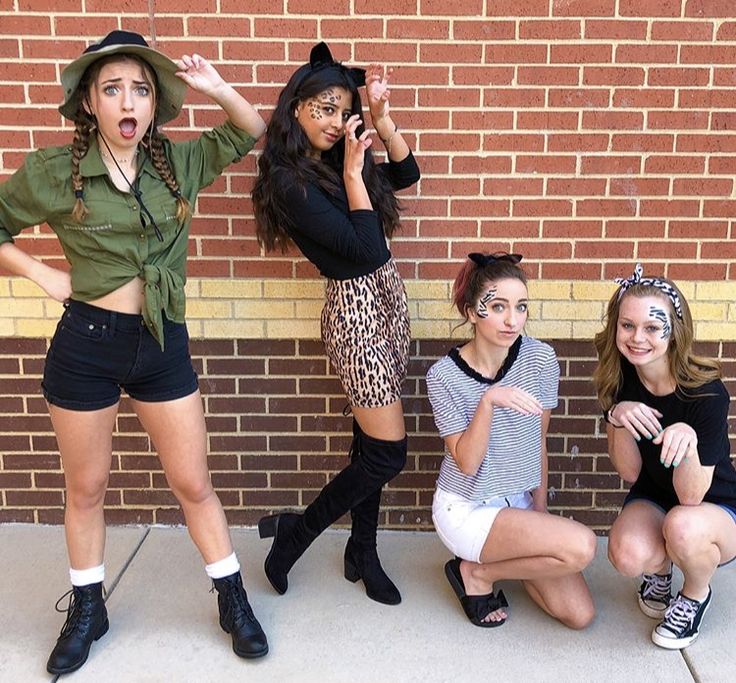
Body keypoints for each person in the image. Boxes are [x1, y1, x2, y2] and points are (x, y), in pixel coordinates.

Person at [0, 30, 269, 673]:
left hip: (160, 342)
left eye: (141, 89)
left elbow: (249, 129)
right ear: (89, 102)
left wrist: (215, 87)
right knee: (86, 487)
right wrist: (41, 274)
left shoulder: (177, 165)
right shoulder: (52, 170)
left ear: (154, 104)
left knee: (192, 481)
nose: (128, 100)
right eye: (112, 87)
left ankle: (231, 597)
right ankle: (89, 608)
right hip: (85, 345)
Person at [251, 42, 420, 605]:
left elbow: (407, 173)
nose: (332, 120)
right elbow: (364, 247)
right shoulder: (286, 177)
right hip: (356, 313)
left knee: (366, 443)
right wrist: (352, 170)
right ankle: (293, 537)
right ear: (295, 107)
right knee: (387, 454)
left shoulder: (333, 159)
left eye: (340, 109)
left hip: (388, 301)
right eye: (322, 107)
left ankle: (362, 551)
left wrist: (381, 119)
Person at [426, 253, 596, 629]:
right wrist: (489, 401)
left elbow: (539, 442)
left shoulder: (540, 358)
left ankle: (487, 566)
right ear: (472, 312)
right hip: (467, 508)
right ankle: (478, 575)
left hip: (516, 503)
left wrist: (539, 510)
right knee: (581, 546)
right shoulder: (442, 376)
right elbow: (466, 463)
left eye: (520, 307)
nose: (512, 319)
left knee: (579, 615)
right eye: (498, 306)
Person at [593, 263, 736, 649]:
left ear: (675, 332)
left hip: (714, 507)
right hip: (655, 495)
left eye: (652, 328)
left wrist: (689, 438)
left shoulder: (706, 393)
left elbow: (690, 498)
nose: (637, 338)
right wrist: (616, 417)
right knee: (625, 554)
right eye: (627, 325)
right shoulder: (618, 379)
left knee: (683, 528)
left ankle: (694, 595)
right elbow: (629, 471)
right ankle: (660, 571)